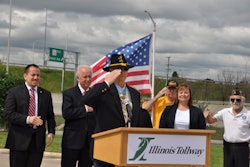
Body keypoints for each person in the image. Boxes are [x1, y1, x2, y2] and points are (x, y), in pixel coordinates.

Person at [81, 53, 152, 167]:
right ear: (111, 71)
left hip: (129, 146)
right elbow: (86, 99)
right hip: (106, 145)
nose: (121, 72)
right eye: (118, 69)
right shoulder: (104, 91)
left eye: (124, 69)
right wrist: (106, 82)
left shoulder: (134, 93)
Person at [4, 64, 56, 167]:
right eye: (33, 75)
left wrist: (51, 132)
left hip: (37, 142)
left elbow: (50, 116)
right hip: (18, 141)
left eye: (38, 75)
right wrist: (28, 119)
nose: (36, 78)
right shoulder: (14, 92)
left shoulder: (46, 94)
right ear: (25, 76)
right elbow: (8, 114)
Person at [204, 89, 250, 167]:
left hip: (242, 148)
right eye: (232, 99)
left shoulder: (248, 114)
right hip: (228, 147)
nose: (235, 102)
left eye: (238, 100)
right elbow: (211, 121)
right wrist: (207, 116)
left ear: (242, 101)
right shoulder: (225, 112)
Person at [61, 65, 95, 167]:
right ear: (78, 78)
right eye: (85, 77)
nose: (88, 79)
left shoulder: (95, 94)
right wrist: (85, 109)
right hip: (72, 141)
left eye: (89, 77)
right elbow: (67, 113)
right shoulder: (69, 94)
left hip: (89, 142)